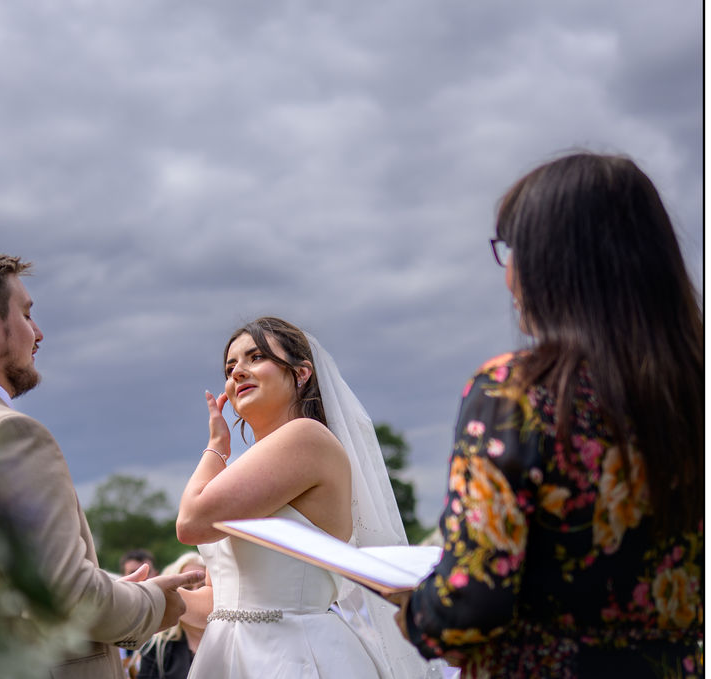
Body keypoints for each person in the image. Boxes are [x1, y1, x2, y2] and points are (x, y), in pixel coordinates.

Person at [388, 153, 704, 678]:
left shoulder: (515, 394)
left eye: (511, 249)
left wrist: (414, 612)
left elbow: (472, 601)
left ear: (554, 263)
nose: (508, 273)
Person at [0, 252, 204, 679]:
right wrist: (152, 603)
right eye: (27, 314)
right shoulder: (10, 434)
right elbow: (69, 593)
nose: (38, 333)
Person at [176, 317, 433, 679]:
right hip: (227, 657)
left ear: (301, 373)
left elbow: (191, 522)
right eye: (230, 366)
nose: (237, 373)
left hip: (294, 658)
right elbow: (221, 604)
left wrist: (216, 447)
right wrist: (133, 596)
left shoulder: (307, 439)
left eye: (255, 357)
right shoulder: (246, 474)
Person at [136, 553, 208, 679]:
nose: (196, 593)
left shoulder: (231, 640)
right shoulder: (157, 647)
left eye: (203, 588)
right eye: (187, 588)